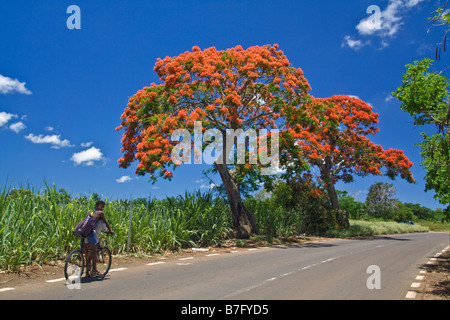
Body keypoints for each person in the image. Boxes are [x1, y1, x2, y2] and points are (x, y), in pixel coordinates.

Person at [85, 200, 114, 276]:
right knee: (94, 250)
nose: (102, 208)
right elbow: (106, 222)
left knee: (87, 251)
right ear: (97, 206)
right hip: (92, 234)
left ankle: (87, 271)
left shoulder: (90, 212)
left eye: (103, 207)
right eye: (101, 206)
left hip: (84, 233)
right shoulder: (100, 213)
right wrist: (110, 230)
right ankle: (94, 270)